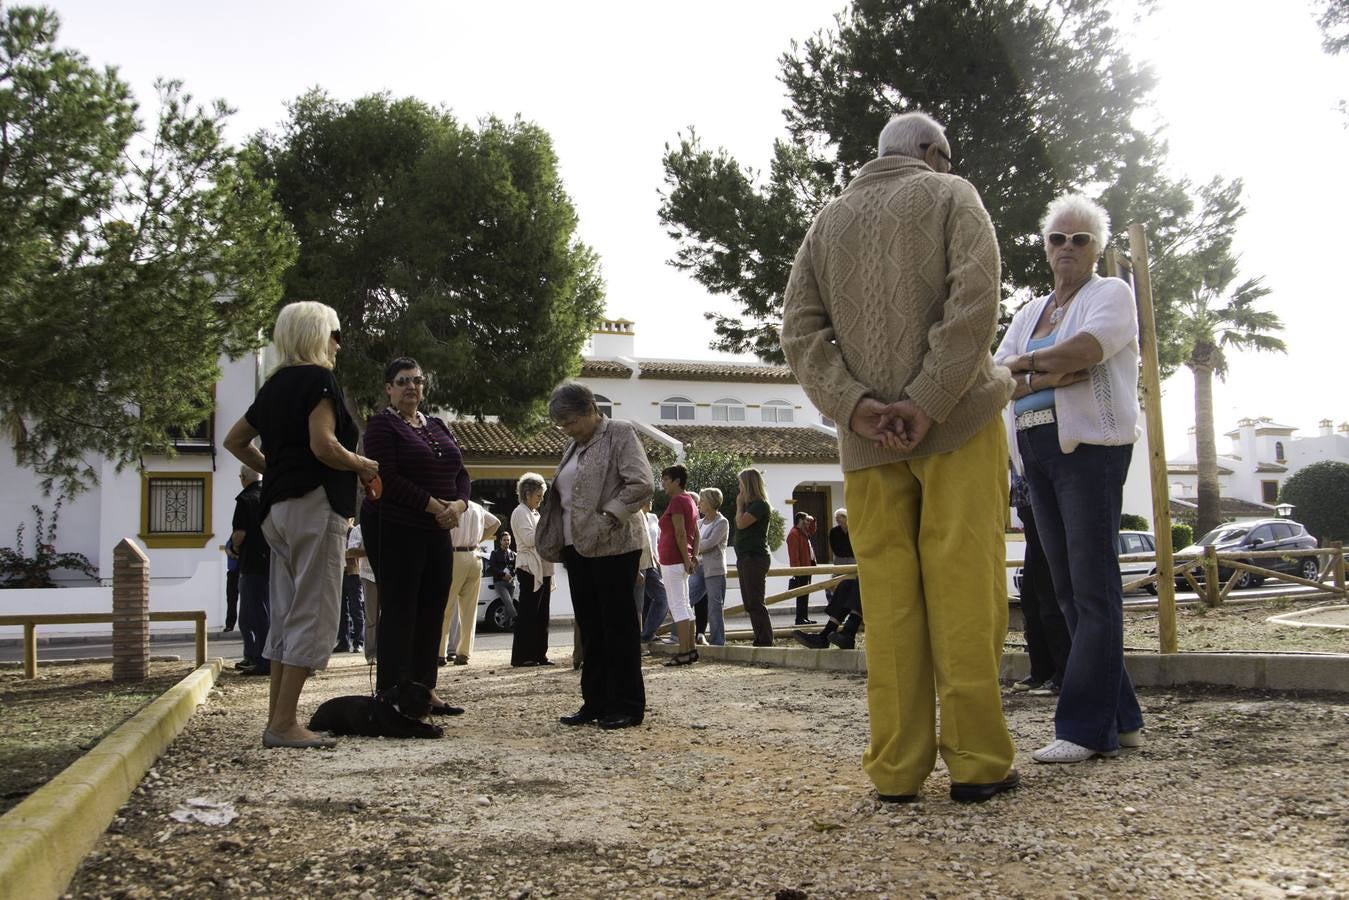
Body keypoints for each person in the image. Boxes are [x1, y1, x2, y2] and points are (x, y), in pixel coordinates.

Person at [781, 111, 1019, 803]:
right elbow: (974, 299)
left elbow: (798, 327)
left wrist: (854, 404)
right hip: (956, 425)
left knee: (886, 605)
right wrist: (928, 398)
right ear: (931, 152)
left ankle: (895, 769)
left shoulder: (826, 222)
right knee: (965, 591)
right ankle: (976, 763)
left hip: (865, 445)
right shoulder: (952, 195)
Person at [994, 193, 1145, 764]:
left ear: (1096, 248)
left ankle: (1083, 728)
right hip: (1035, 456)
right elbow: (997, 373)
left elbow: (1090, 348)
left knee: (1092, 587)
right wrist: (1051, 369)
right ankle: (1123, 719)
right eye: (1058, 238)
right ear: (1045, 245)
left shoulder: (1111, 293)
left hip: (1089, 453)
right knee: (1066, 591)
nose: (1067, 248)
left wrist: (1031, 369)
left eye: (1080, 239)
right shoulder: (1030, 312)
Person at [223, 301, 379, 749]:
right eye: (335, 333)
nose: (339, 342)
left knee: (287, 612)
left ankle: (278, 719)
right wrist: (362, 465)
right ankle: (284, 723)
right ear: (317, 334)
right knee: (314, 613)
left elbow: (234, 440)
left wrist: (274, 471)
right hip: (315, 506)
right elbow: (324, 445)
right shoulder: (319, 379)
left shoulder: (274, 385)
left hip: (276, 513)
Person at [535, 382, 653, 728]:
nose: (567, 430)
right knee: (591, 628)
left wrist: (609, 515)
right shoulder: (574, 446)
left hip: (614, 545)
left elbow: (641, 483)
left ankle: (628, 705)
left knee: (618, 627)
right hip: (578, 547)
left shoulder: (620, 433)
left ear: (590, 410)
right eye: (562, 425)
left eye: (571, 422)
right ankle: (596, 702)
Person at [360, 357, 470, 714]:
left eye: (417, 380)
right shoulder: (380, 426)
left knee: (432, 609)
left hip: (437, 530)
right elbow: (387, 478)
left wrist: (459, 505)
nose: (411, 386)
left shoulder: (437, 425)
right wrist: (435, 506)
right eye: (403, 381)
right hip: (396, 529)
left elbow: (461, 473)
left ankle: (424, 690)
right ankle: (393, 693)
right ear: (388, 388)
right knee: (400, 610)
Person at [1010, 474, 1071, 696]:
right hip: (1027, 506)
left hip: (1045, 500)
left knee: (1050, 596)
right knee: (1030, 598)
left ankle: (1064, 674)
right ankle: (1042, 670)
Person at [440, 500, 500, 666]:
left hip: (455, 555)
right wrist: (478, 539)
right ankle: (464, 653)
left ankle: (440, 652)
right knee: (469, 609)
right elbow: (496, 523)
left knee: (445, 606)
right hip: (475, 555)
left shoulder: (448, 505)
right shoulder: (477, 507)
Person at [794, 508, 863, 650]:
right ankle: (824, 636)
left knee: (860, 584)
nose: (839, 521)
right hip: (855, 566)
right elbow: (841, 549)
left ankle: (848, 633)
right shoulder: (835, 532)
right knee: (845, 585)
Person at [657, 464, 700, 666]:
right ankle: (690, 650)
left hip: (673, 560)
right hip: (681, 560)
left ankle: (683, 652)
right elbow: (696, 533)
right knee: (685, 605)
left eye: (666, 479)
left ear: (677, 481)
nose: (663, 483)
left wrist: (686, 559)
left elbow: (681, 533)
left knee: (677, 606)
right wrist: (693, 557)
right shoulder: (690, 500)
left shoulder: (677, 501)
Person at [511, 472, 554, 667]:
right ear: (527, 493)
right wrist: (547, 528)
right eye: (538, 495)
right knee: (529, 612)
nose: (541, 499)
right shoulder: (520, 512)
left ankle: (539, 653)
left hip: (542, 565)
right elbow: (529, 539)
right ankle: (522, 655)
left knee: (542, 613)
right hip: (528, 565)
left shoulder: (535, 514)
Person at [231, 466, 270, 676]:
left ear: (243, 478)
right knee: (267, 611)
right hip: (271, 563)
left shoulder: (245, 499)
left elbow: (239, 535)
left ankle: (258, 658)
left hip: (251, 564)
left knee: (251, 614)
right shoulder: (269, 496)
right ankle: (261, 656)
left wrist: (234, 548)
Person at [733, 468, 775, 647]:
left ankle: (765, 639)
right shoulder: (751, 505)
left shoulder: (759, 504)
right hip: (745, 557)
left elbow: (741, 523)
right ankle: (759, 637)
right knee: (749, 602)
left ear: (748, 484)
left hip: (755, 557)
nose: (739, 488)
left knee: (755, 601)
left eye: (741, 483)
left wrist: (739, 505)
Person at [688, 488, 729, 646]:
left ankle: (718, 642)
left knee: (714, 606)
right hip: (698, 569)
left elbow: (710, 543)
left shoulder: (722, 522)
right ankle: (678, 636)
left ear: (711, 503)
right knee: (687, 600)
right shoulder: (698, 522)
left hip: (714, 571)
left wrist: (693, 546)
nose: (699, 504)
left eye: (702, 500)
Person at [638, 501, 671, 645]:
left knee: (662, 597)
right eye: (647, 497)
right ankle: (643, 636)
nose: (651, 500)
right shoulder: (633, 515)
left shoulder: (653, 518)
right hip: (638, 563)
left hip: (652, 564)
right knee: (640, 604)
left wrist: (660, 560)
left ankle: (646, 634)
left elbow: (658, 540)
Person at [347, 521, 377, 664]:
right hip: (369, 575)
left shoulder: (391, 522)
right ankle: (371, 654)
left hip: (390, 575)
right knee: (372, 617)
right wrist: (372, 551)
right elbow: (351, 551)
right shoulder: (359, 529)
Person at [334, 520, 364, 655]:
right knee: (341, 610)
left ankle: (359, 642)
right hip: (339, 573)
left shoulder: (355, 531)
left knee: (356, 608)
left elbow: (355, 551)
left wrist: (342, 553)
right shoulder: (336, 532)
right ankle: (343, 642)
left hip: (353, 573)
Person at [787, 512, 818, 625]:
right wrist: (797, 570)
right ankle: (800, 619)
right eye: (806, 520)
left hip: (807, 568)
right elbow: (793, 555)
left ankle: (804, 618)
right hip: (801, 569)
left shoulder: (803, 532)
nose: (808, 523)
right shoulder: (794, 534)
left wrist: (812, 519)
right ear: (800, 520)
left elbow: (813, 530)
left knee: (806, 594)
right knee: (801, 595)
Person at [487, 531, 519, 630]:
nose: (507, 542)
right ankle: (518, 620)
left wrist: (511, 575)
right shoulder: (495, 553)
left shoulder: (513, 554)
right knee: (508, 602)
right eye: (504, 540)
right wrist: (503, 575)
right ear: (500, 541)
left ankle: (507, 626)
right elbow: (492, 567)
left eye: (508, 540)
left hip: (511, 582)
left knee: (507, 605)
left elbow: (517, 567)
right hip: (500, 583)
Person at [223, 537, 239, 634]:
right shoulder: (232, 538)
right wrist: (235, 556)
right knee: (231, 599)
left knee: (247, 601)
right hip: (233, 573)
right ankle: (230, 625)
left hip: (244, 572)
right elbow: (227, 549)